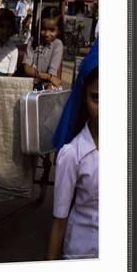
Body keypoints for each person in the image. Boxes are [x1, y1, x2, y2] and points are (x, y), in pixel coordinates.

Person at [46, 40, 99, 260]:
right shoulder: (73, 154)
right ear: (83, 98)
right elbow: (60, 220)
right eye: (96, 98)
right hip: (82, 254)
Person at [23, 6, 64, 88]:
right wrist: (46, 76)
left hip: (46, 86)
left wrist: (48, 78)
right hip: (30, 84)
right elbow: (27, 68)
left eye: (52, 30)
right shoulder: (33, 40)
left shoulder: (58, 45)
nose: (47, 34)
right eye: (44, 29)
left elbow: (52, 72)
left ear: (59, 30)